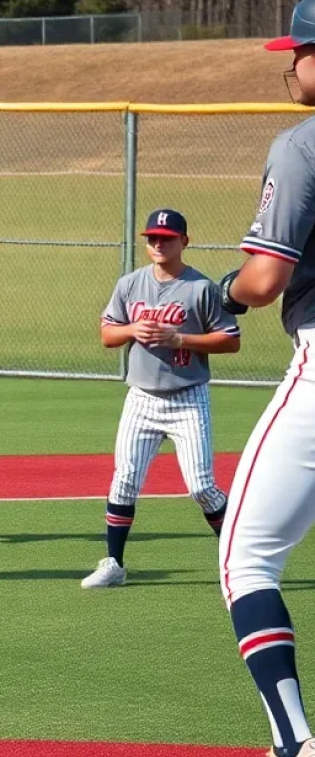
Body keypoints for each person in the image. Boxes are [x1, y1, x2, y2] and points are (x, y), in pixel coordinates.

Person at [217, 0, 315, 757]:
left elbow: (265, 278)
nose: (291, 65)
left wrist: (225, 290)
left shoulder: (301, 144)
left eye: (301, 51)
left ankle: (293, 750)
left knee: (245, 558)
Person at [83, 208, 241, 588]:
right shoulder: (130, 284)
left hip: (188, 396)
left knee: (202, 486)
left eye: (166, 238)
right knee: (124, 480)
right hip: (141, 397)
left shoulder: (201, 288)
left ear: (184, 241)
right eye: (152, 237)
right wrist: (131, 329)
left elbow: (231, 340)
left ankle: (239, 562)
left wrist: (180, 338)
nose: (158, 243)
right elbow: (107, 335)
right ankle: (114, 564)